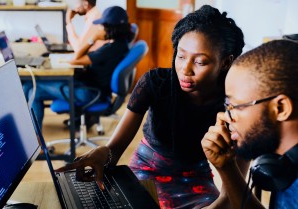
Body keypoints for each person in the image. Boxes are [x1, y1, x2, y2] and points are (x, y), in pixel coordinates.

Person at [56, 5, 246, 209]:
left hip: (196, 179)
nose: (185, 69)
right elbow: (115, 150)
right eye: (180, 56)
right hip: (147, 169)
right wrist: (104, 153)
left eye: (200, 62)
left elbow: (233, 192)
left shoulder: (236, 105)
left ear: (226, 63)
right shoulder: (155, 84)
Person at [201, 40, 298, 209]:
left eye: (235, 106)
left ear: (281, 108)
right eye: (226, 105)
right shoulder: (285, 163)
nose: (225, 116)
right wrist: (226, 167)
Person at [28, 6, 133, 126]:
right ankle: (31, 133)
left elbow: (75, 59)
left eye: (102, 25)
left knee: (33, 90)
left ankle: (37, 140)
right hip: (92, 88)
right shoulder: (120, 44)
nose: (99, 28)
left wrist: (92, 39)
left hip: (90, 93)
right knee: (29, 86)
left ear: (110, 28)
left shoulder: (110, 50)